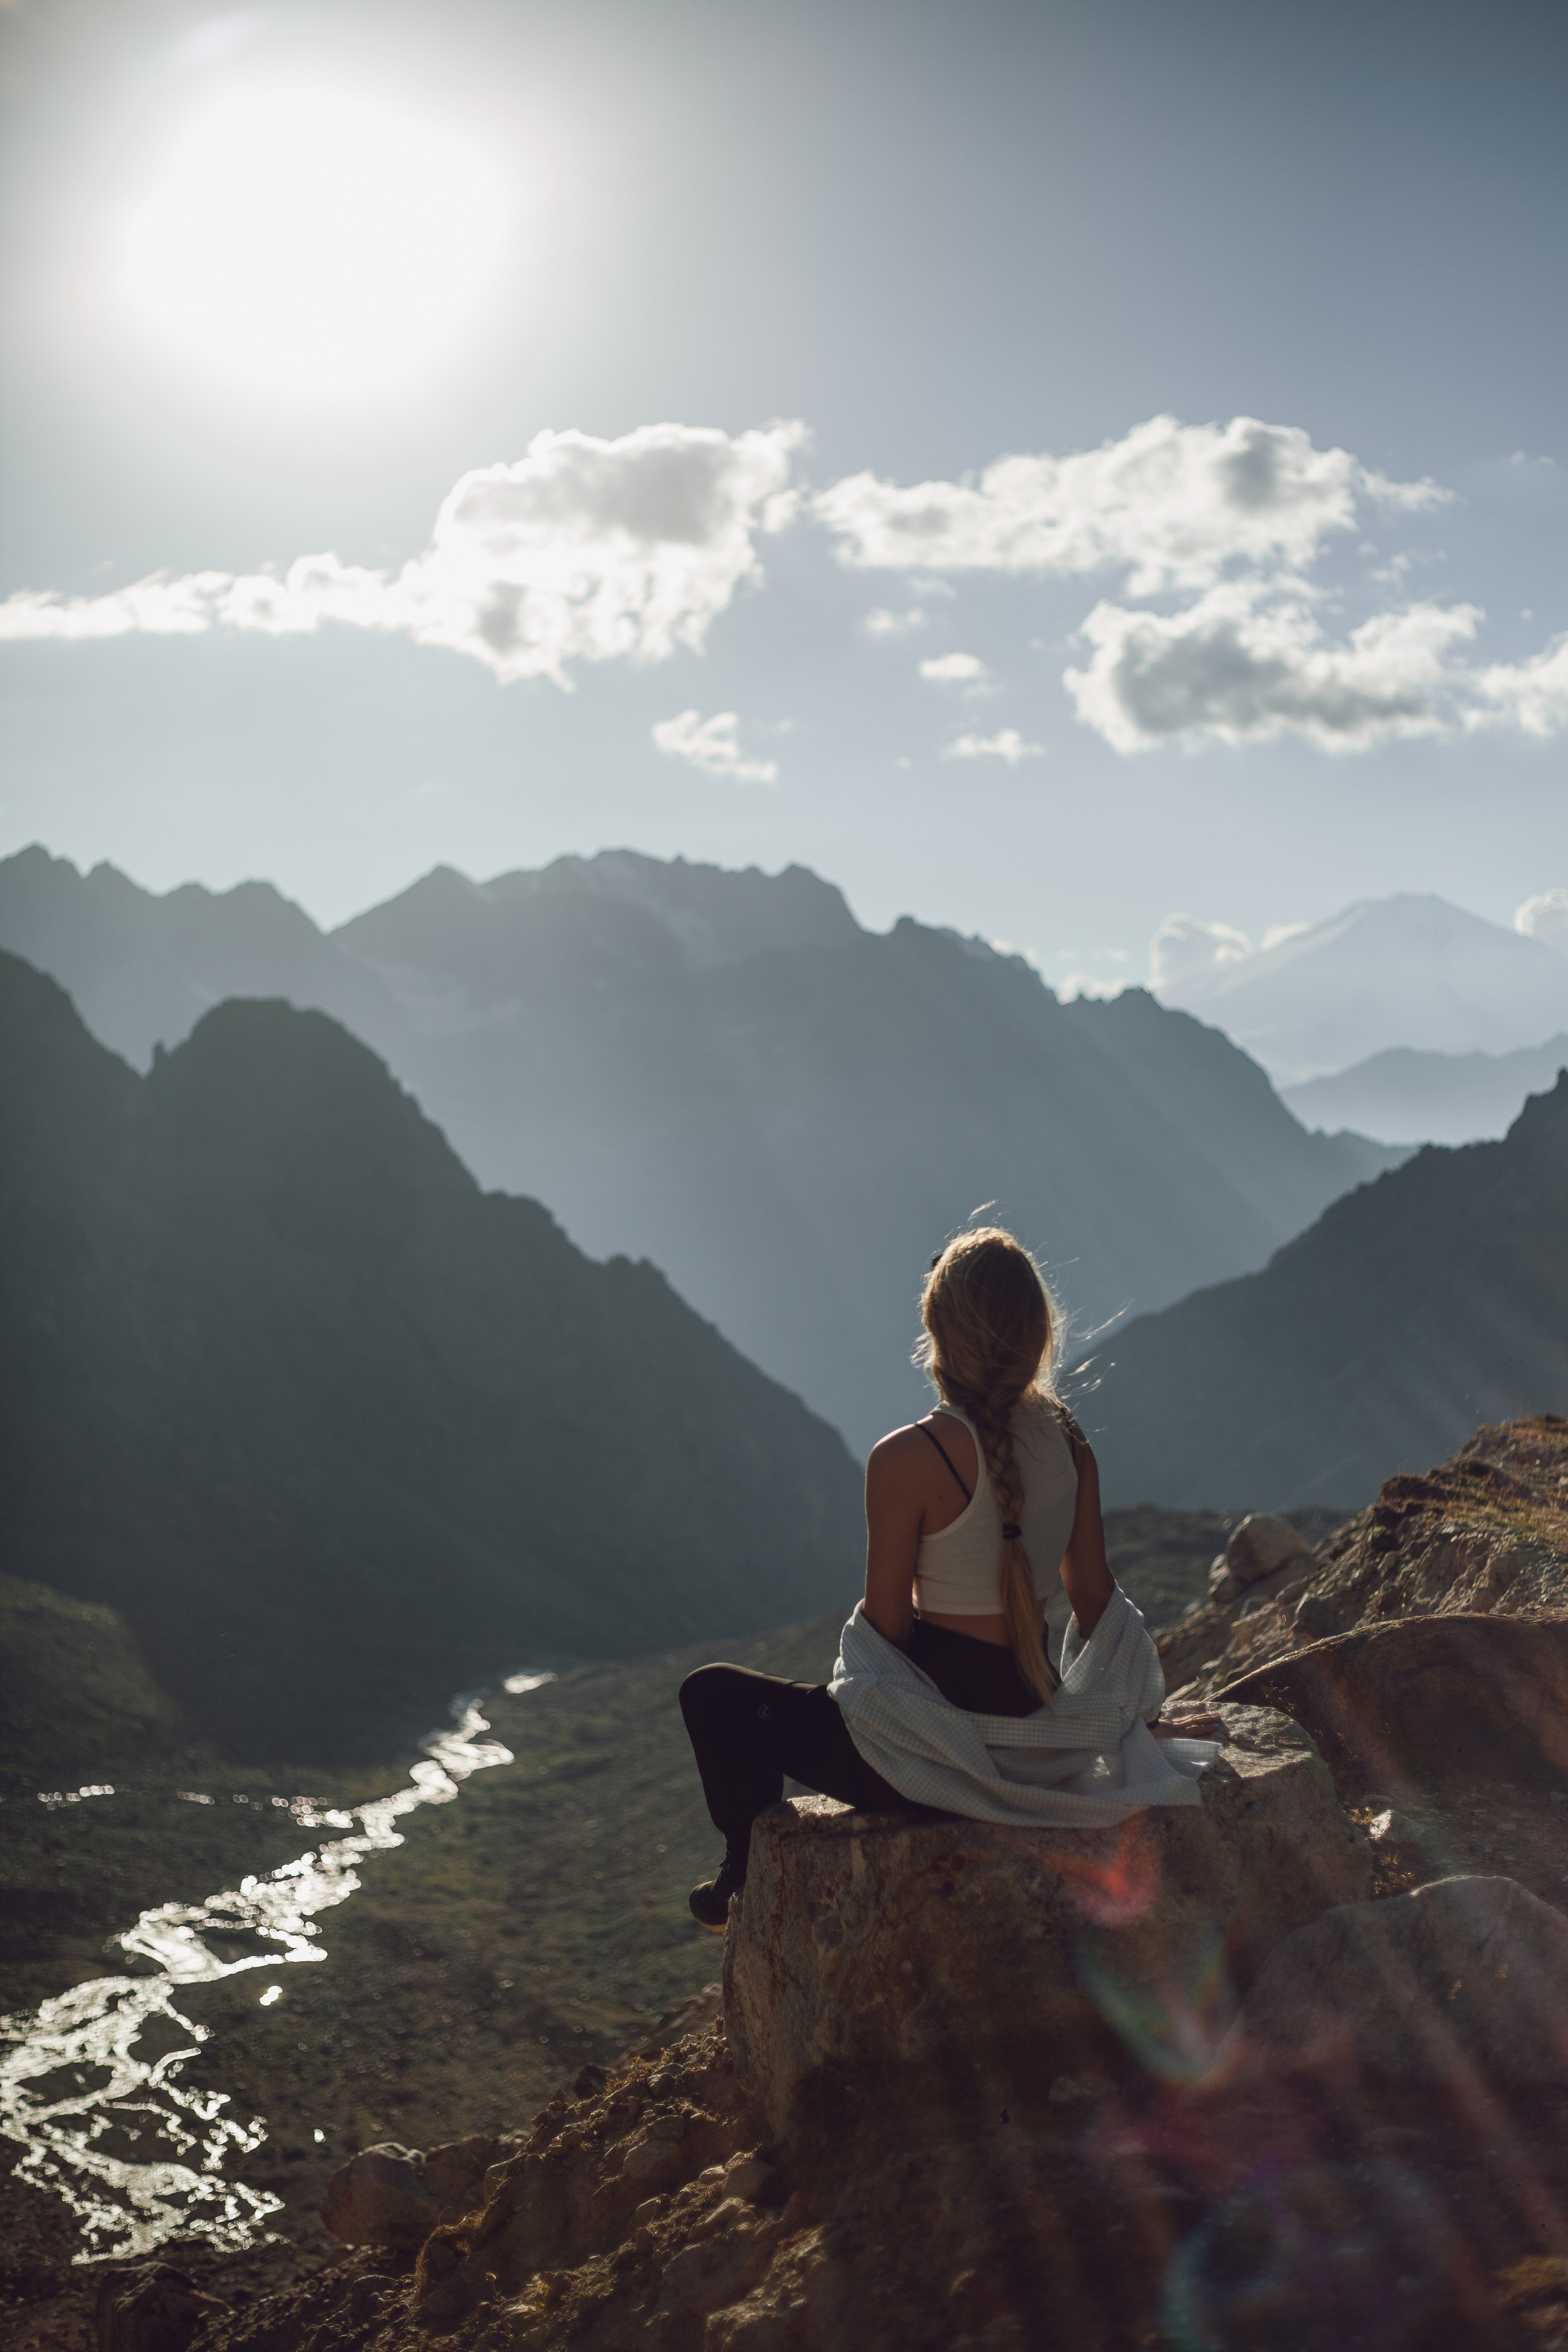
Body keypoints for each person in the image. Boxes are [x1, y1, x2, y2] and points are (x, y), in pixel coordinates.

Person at [679, 1225, 1219, 1932]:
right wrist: (1129, 1721)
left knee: (712, 1694)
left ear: (936, 1332)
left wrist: (848, 1708)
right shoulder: (1069, 1441)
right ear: (1035, 1332)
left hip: (927, 1758)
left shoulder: (909, 1456)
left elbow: (888, 1630)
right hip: (1032, 1738)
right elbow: (1094, 1598)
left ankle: (739, 1877)